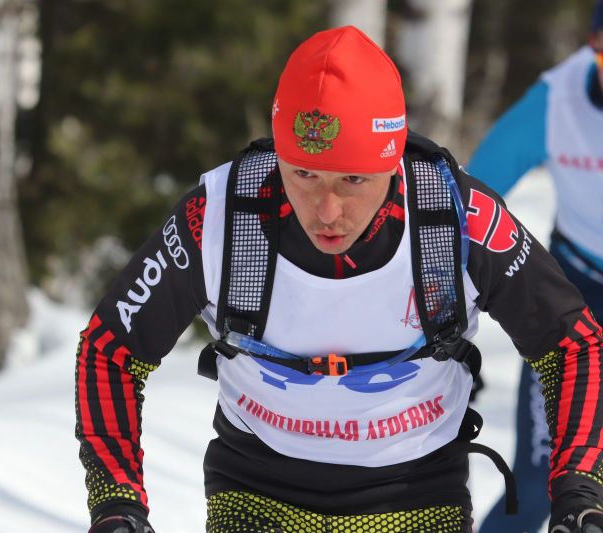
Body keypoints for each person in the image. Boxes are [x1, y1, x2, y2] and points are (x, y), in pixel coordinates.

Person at [75, 26, 603, 533]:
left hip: (415, 501)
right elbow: (111, 351)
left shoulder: (455, 218)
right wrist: (117, 504)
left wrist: (579, 489)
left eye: (353, 179)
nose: (327, 211)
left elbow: (571, 345)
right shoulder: (217, 218)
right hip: (257, 498)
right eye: (304, 174)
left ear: (393, 162)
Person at [467, 2, 603, 531]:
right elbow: (467, 204)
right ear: (593, 46)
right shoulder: (556, 99)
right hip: (574, 297)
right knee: (540, 479)